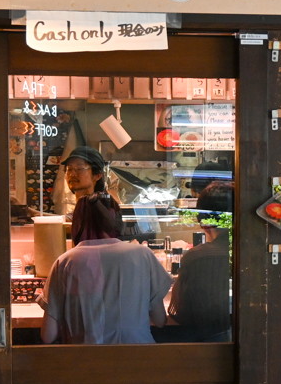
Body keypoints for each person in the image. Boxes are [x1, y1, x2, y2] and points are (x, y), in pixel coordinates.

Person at [39, 194, 172, 344]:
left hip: (82, 357)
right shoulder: (143, 255)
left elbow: (48, 335)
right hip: (137, 355)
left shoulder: (64, 262)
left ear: (78, 223)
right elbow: (160, 320)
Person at [164, 183, 233, 342]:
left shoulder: (197, 257)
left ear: (203, 222)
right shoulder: (251, 251)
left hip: (205, 345)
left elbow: (180, 312)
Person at [58, 146, 108, 214]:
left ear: (97, 175)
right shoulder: (78, 209)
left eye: (79, 169)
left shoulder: (100, 211)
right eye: (69, 169)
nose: (72, 174)